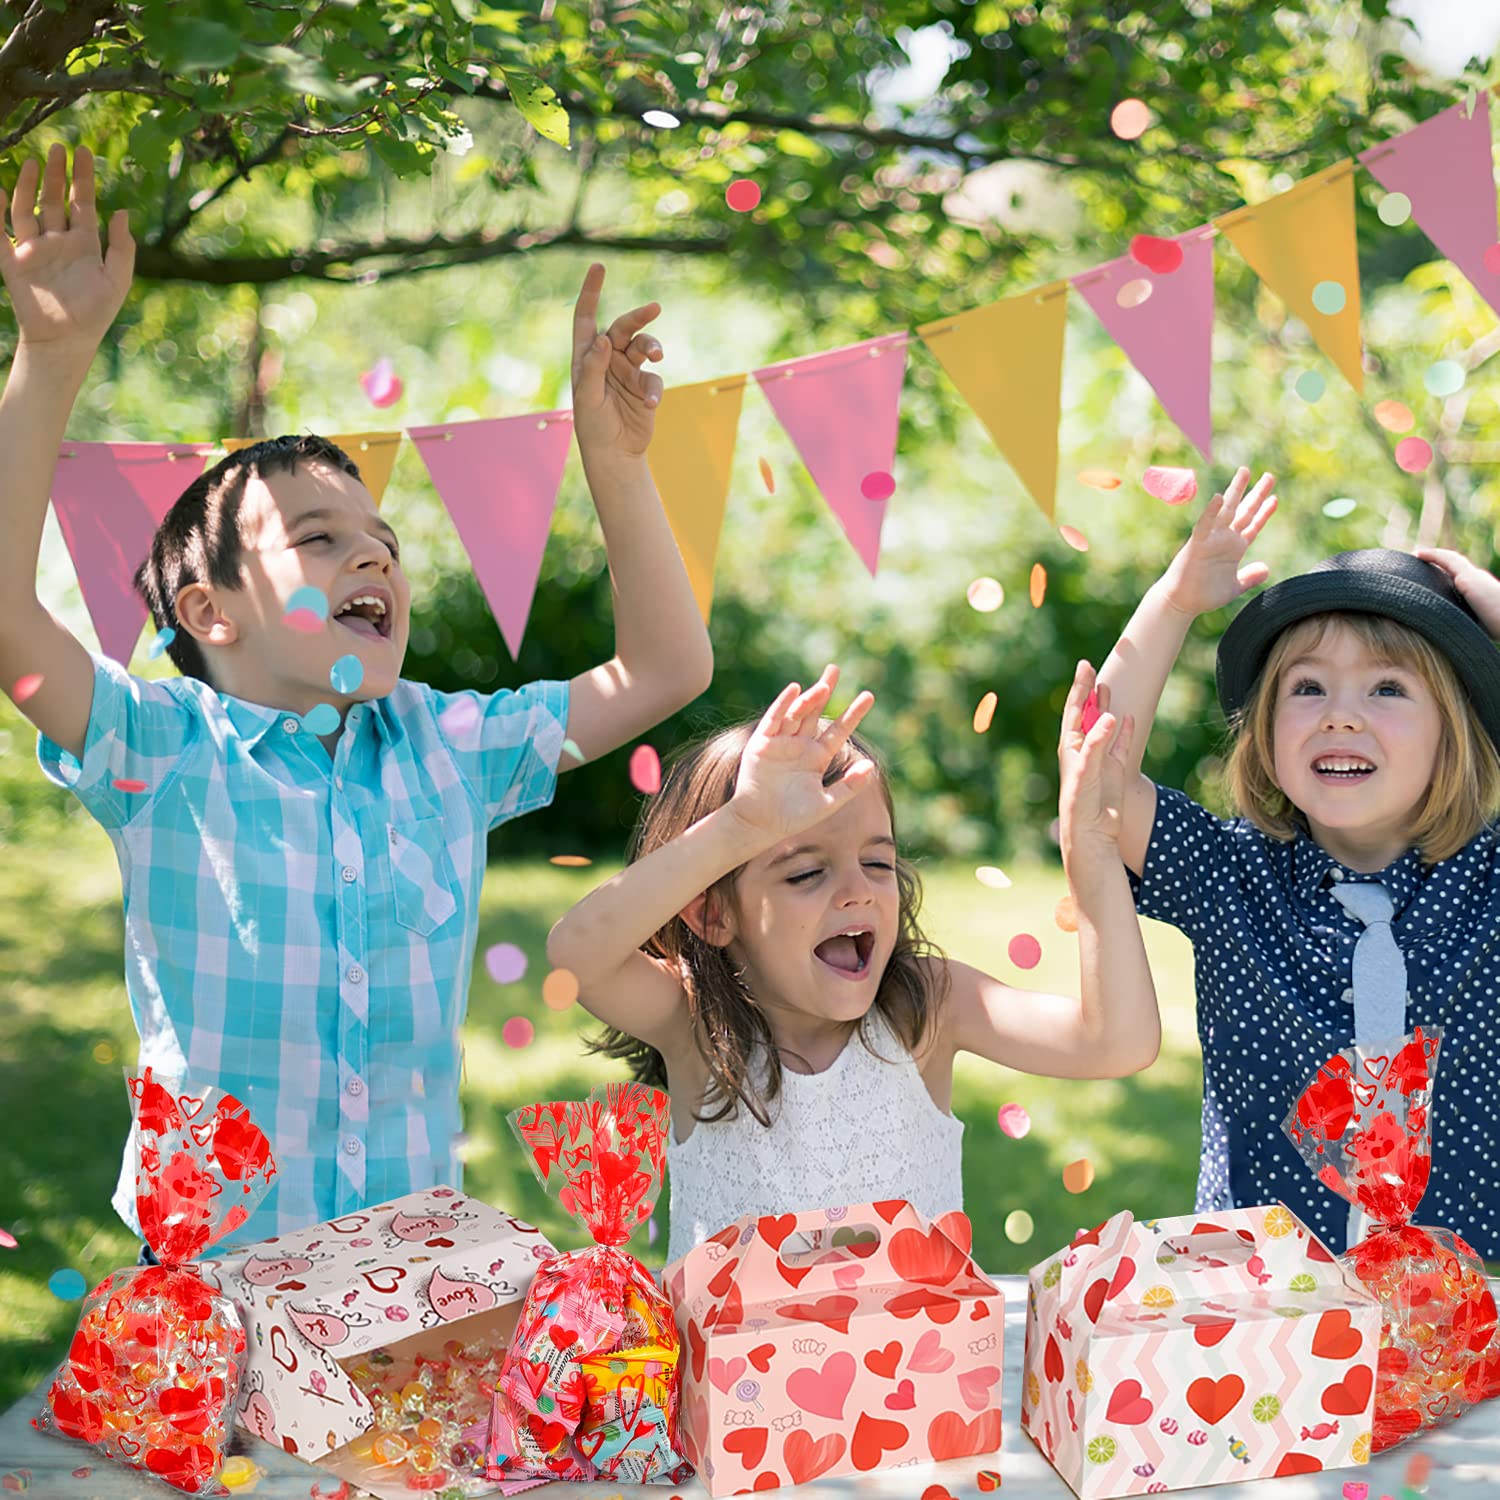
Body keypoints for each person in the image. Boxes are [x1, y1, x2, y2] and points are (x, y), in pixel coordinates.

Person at [0, 145, 713, 1249]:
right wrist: (49, 358)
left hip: (408, 1292)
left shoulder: (445, 745)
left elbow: (666, 669)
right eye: (319, 540)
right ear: (210, 613)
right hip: (215, 1307)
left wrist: (614, 461)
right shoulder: (159, 747)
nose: (373, 561)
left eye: (383, 543)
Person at [547, 661, 1161, 1263]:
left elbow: (1116, 1041)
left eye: (877, 862)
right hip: (735, 1368)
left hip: (917, 1364)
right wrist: (740, 827)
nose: (858, 891)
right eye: (807, 872)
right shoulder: (695, 1029)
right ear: (712, 915)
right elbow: (577, 956)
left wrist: (1094, 852)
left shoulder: (925, 1008)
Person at [1094, 464, 1500, 1255]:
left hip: (1468, 1317)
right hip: (1271, 1324)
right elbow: (1097, 776)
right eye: (1307, 688)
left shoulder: (1489, 882)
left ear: (1452, 729)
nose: (1340, 717)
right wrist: (1174, 601)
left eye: (1388, 689)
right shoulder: (1229, 874)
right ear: (1266, 729)